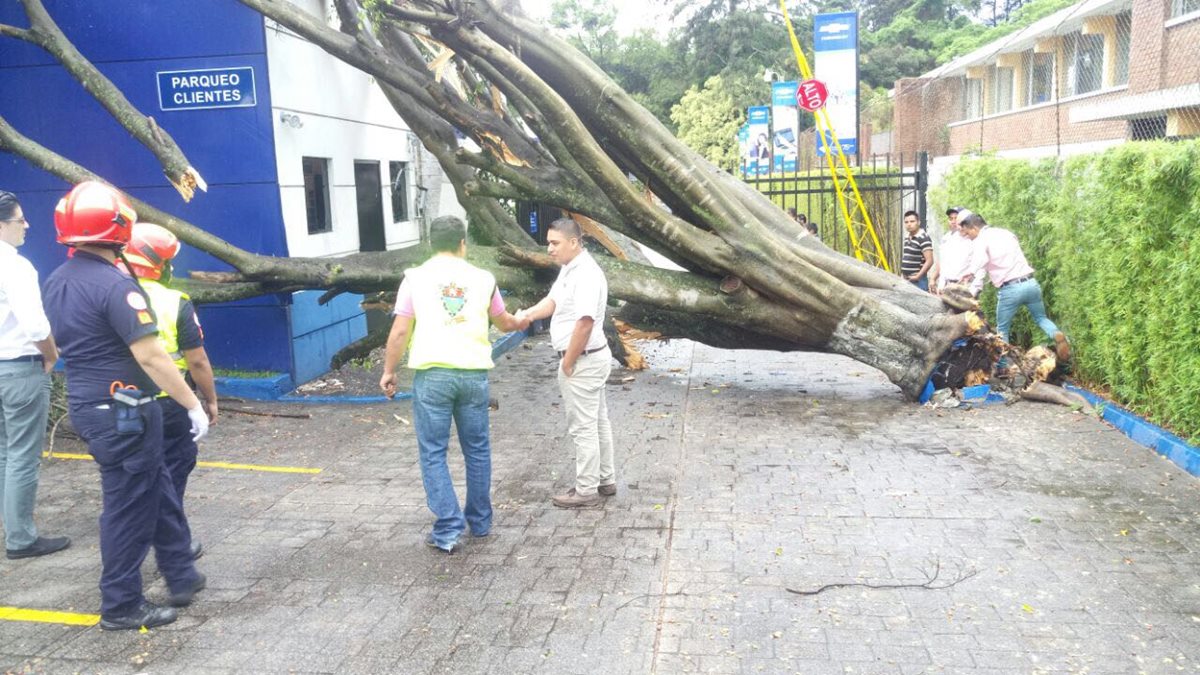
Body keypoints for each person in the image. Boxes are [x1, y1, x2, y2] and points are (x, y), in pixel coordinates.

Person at [42, 181, 207, 631]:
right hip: (123, 414)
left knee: (156, 488)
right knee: (128, 508)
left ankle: (181, 573)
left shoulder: (58, 280)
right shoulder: (116, 285)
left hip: (94, 405)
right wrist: (192, 403)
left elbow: (59, 342)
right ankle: (121, 604)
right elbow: (151, 354)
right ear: (119, 229)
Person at [379, 216, 527, 553]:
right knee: (477, 449)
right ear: (464, 243)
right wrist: (523, 319)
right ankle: (480, 522)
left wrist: (390, 371)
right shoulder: (484, 279)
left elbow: (400, 330)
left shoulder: (414, 278)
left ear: (432, 243)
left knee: (433, 451)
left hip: (433, 376)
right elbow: (504, 322)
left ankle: (447, 529)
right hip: (474, 375)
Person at [121, 222, 217, 560]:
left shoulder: (112, 294)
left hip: (125, 402)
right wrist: (209, 400)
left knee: (136, 472)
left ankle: (136, 538)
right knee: (174, 469)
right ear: (159, 265)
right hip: (172, 403)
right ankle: (173, 543)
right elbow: (198, 361)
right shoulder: (174, 301)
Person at [517, 218, 615, 509]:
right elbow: (552, 301)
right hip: (589, 358)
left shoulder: (585, 274)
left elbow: (584, 323)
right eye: (548, 242)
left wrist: (569, 362)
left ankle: (586, 490)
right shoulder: (570, 270)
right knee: (597, 421)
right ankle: (605, 480)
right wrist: (526, 316)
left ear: (574, 242)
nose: (549, 249)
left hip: (583, 360)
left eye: (555, 243)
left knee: (583, 427)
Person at [0, 190, 70, 560]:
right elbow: (33, 323)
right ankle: (21, 538)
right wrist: (52, 355)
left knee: (3, 453)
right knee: (23, 455)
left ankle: (14, 528)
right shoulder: (15, 266)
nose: (26, 225)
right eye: (19, 220)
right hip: (19, 368)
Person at [958, 213, 1069, 356]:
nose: (967, 236)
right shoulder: (1005, 233)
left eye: (967, 233)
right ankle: (1056, 333)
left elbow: (980, 261)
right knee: (1041, 318)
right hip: (1030, 283)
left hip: (1010, 289)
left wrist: (968, 273)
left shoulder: (981, 240)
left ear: (974, 228)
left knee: (1002, 329)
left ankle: (1002, 367)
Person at [932, 206, 976, 295]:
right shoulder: (947, 238)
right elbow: (944, 264)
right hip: (948, 285)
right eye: (951, 218)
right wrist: (940, 285)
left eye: (956, 218)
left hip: (965, 286)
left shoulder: (972, 239)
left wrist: (973, 289)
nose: (953, 221)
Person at [899, 210, 933, 291]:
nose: (909, 224)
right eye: (906, 222)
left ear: (918, 222)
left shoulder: (923, 238)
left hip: (918, 281)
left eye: (912, 221)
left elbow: (930, 261)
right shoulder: (907, 237)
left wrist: (918, 276)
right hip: (907, 280)